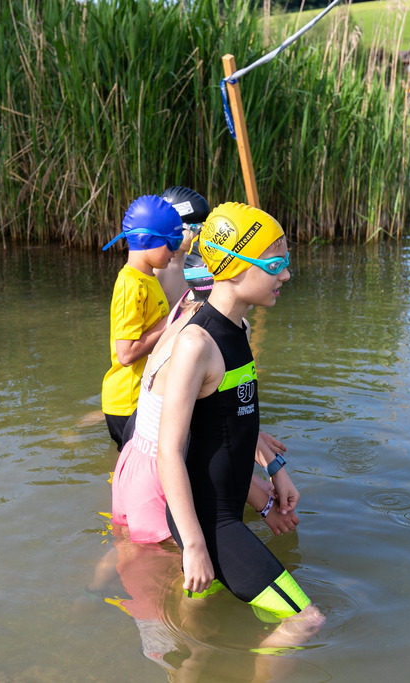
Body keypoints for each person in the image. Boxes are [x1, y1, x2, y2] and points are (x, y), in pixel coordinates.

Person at [157, 202, 324, 671]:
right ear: (231, 267)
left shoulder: (239, 328)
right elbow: (168, 452)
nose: (286, 275)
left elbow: (232, 423)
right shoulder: (196, 344)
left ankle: (184, 655)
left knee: (201, 605)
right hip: (209, 522)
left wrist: (272, 477)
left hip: (228, 507)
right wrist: (193, 544)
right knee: (306, 619)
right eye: (275, 264)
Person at [110, 260, 301, 544]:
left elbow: (221, 422)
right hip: (165, 478)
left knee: (130, 552)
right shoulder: (210, 340)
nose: (283, 276)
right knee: (183, 576)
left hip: (136, 462)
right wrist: (266, 503)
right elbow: (212, 446)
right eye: (271, 266)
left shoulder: (182, 316)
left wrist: (270, 462)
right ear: (230, 281)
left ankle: (92, 588)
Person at [100, 195, 184, 451]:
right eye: (171, 242)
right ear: (146, 240)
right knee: (135, 473)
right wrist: (171, 322)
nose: (175, 250)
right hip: (127, 402)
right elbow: (125, 354)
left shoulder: (147, 279)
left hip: (141, 396)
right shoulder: (131, 285)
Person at [154, 186, 211, 309]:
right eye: (200, 229)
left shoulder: (194, 263)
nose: (203, 235)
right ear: (179, 229)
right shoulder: (158, 271)